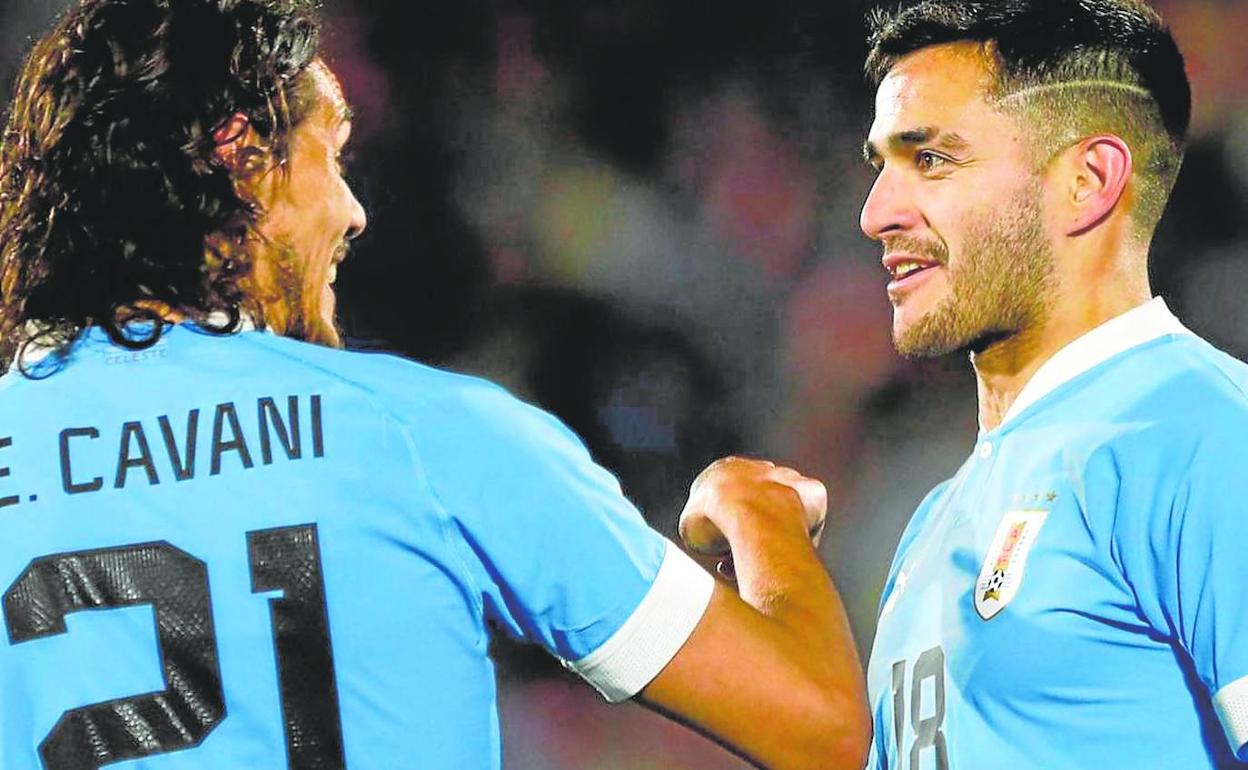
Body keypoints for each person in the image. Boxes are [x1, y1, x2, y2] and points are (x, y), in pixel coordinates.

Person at [0, 1, 870, 768]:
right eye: (328, 155)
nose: (351, 209)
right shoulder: (423, 435)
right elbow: (818, 731)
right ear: (244, 157)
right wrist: (756, 508)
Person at [858, 0, 1248, 768]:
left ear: (1088, 180)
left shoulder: (1208, 441)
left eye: (930, 159)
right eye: (882, 167)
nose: (876, 214)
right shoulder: (933, 523)